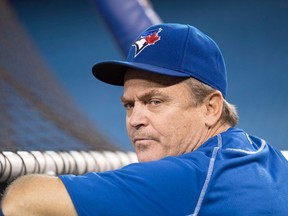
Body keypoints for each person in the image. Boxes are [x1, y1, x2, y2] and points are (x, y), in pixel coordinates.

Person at [1, 23, 288, 216]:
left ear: (211, 107)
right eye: (129, 105)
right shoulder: (267, 157)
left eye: (155, 101)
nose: (135, 119)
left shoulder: (191, 176)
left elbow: (21, 202)